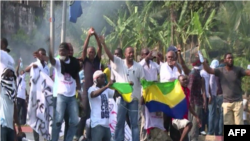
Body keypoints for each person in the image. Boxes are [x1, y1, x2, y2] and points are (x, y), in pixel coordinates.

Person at [100, 36, 144, 141]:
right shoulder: (119, 63)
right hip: (121, 98)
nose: (131, 54)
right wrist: (104, 44)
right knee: (120, 122)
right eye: (129, 52)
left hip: (134, 99)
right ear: (125, 54)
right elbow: (111, 56)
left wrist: (142, 96)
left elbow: (143, 83)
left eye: (132, 52)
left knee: (134, 124)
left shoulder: (138, 67)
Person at [200, 52, 250, 125]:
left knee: (239, 124)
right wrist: (203, 62)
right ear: (225, 60)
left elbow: (248, 73)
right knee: (228, 124)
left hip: (238, 102)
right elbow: (209, 70)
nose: (230, 59)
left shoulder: (238, 70)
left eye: (231, 58)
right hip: (226, 103)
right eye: (228, 58)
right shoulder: (221, 70)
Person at [48, 42, 81, 141]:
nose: (61, 53)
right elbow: (52, 60)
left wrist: (79, 90)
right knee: (58, 121)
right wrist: (50, 49)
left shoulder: (74, 62)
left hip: (72, 97)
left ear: (67, 52)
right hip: (61, 96)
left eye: (63, 51)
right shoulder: (58, 61)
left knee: (75, 121)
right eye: (59, 51)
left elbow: (76, 75)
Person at [76, 27, 102, 140]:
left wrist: (95, 35)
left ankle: (91, 136)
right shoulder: (85, 60)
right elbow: (84, 47)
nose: (91, 53)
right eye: (89, 52)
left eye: (93, 52)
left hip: (96, 91)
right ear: (87, 53)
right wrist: (88, 36)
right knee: (84, 114)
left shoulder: (97, 60)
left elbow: (100, 47)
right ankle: (78, 135)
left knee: (95, 115)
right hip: (86, 91)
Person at [24, 48, 49, 141]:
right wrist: (31, 67)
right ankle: (36, 139)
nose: (41, 56)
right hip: (36, 95)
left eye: (43, 54)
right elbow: (25, 70)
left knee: (45, 117)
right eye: (40, 54)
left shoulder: (46, 66)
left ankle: (46, 137)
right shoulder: (35, 64)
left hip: (44, 95)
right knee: (36, 117)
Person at [0, 38, 22, 141]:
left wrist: (18, 126)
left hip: (9, 127)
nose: (11, 74)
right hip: (2, 126)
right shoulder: (2, 87)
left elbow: (14, 109)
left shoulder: (12, 91)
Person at [171, 75, 201, 141]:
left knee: (186, 138)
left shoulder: (187, 90)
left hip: (184, 119)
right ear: (179, 82)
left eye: (186, 79)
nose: (185, 81)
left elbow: (188, 105)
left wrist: (196, 116)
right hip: (177, 119)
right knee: (189, 124)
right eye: (183, 80)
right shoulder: (177, 91)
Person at [88, 70, 114, 141]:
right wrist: (106, 86)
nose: (103, 79)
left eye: (104, 77)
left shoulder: (106, 90)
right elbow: (93, 94)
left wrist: (126, 85)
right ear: (96, 79)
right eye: (101, 77)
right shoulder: (91, 89)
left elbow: (116, 94)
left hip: (106, 125)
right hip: (97, 125)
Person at [207, 59, 219, 135]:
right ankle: (211, 131)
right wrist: (211, 94)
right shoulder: (213, 71)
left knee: (212, 113)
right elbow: (211, 82)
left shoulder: (210, 70)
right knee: (212, 113)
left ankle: (212, 131)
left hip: (212, 94)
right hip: (212, 95)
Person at [200, 59, 210, 136]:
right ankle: (201, 129)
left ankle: (207, 129)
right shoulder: (201, 73)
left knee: (206, 113)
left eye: (207, 63)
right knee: (202, 113)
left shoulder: (208, 73)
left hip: (207, 95)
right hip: (201, 95)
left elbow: (209, 85)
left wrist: (209, 94)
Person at [16, 59, 28, 125]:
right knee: (18, 109)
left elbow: (24, 89)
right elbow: (16, 71)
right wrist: (18, 64)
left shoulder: (24, 80)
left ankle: (23, 122)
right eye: (22, 72)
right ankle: (16, 121)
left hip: (23, 98)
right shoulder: (19, 78)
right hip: (19, 96)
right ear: (20, 73)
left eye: (24, 72)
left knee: (24, 110)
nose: (23, 73)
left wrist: (26, 96)